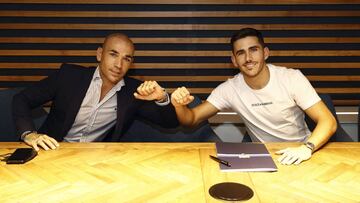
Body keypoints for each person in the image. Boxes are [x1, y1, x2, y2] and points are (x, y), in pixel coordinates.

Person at [170, 28, 337, 165]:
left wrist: (306, 148)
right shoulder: (229, 89)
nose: (248, 58)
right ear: (234, 60)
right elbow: (190, 119)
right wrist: (179, 105)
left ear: (265, 53)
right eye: (241, 53)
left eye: (253, 50)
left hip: (300, 151)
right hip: (262, 157)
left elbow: (328, 121)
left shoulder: (291, 78)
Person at [12, 33, 178, 151]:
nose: (119, 65)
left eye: (126, 59)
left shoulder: (133, 92)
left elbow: (170, 123)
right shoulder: (69, 76)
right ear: (100, 54)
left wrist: (162, 98)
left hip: (93, 162)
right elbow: (22, 99)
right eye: (113, 54)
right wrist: (29, 134)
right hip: (50, 152)